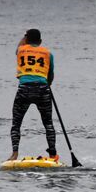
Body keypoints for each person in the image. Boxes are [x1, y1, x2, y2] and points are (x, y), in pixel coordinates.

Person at [9, 29, 57, 162]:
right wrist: (49, 84)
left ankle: (14, 153)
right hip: (43, 89)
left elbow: (19, 46)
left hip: (24, 89)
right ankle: (53, 154)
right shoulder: (48, 53)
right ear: (40, 41)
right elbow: (50, 74)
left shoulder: (21, 50)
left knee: (16, 124)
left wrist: (24, 37)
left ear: (26, 40)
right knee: (48, 124)